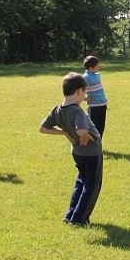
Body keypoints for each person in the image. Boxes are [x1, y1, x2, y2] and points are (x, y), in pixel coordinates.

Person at [40, 72, 103, 226]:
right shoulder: (77, 111)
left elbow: (43, 128)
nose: (84, 97)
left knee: (81, 182)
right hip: (91, 153)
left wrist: (64, 132)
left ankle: (70, 214)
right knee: (91, 185)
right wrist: (84, 137)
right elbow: (82, 130)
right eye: (84, 93)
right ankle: (78, 219)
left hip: (77, 153)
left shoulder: (57, 109)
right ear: (79, 91)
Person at [83, 55, 107, 138]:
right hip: (93, 106)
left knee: (101, 126)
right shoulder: (85, 78)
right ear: (91, 68)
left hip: (102, 104)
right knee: (93, 126)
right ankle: (91, 146)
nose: (99, 67)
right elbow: (79, 91)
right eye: (97, 66)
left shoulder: (97, 75)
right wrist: (85, 98)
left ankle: (98, 144)